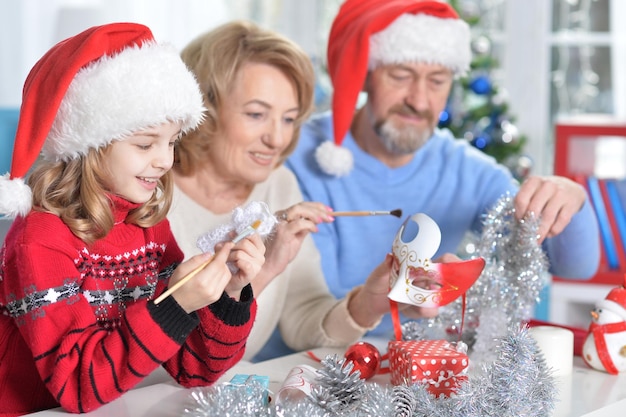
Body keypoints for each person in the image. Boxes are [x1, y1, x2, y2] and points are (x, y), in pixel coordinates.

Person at [285, 0, 601, 338]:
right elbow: (303, 314)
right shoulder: (293, 152)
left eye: (437, 81)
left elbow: (573, 266)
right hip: (298, 368)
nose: (419, 101)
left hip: (412, 375)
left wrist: (571, 198)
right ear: (364, 74)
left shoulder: (468, 171)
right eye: (401, 75)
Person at [0, 23, 265, 416]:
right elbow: (75, 385)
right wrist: (174, 305)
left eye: (172, 141)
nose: (165, 160)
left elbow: (196, 370)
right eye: (145, 143)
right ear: (90, 145)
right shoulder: (38, 241)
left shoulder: (148, 225)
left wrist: (230, 295)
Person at [168, 20, 436, 362]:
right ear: (204, 110)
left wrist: (368, 303)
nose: (277, 139)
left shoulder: (279, 186)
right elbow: (153, 357)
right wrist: (261, 275)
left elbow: (302, 319)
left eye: (289, 119)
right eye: (256, 114)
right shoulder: (147, 190)